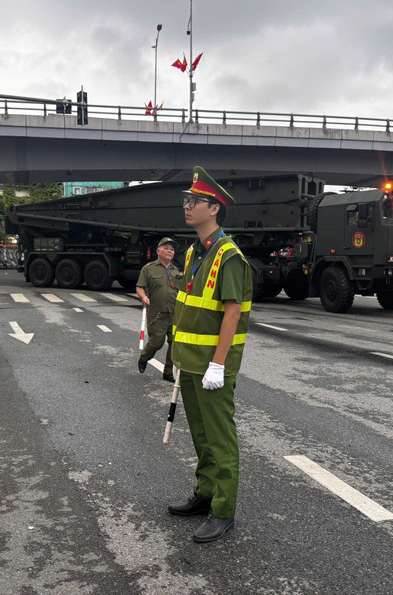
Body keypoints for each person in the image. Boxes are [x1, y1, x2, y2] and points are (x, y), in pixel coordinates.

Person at [168, 166, 253, 544]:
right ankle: (205, 494)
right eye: (187, 200)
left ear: (214, 208)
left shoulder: (228, 256)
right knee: (201, 435)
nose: (187, 206)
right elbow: (188, 307)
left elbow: (232, 312)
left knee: (220, 438)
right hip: (190, 361)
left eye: (195, 201)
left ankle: (223, 509)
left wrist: (218, 363)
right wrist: (176, 355)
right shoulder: (192, 253)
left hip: (213, 365)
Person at [136, 237, 181, 382]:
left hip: (174, 313)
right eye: (166, 248)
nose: (169, 251)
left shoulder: (176, 271)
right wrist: (143, 297)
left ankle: (168, 372)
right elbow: (140, 287)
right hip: (157, 314)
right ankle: (144, 357)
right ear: (158, 251)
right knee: (157, 342)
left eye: (172, 249)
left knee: (175, 343)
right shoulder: (148, 268)